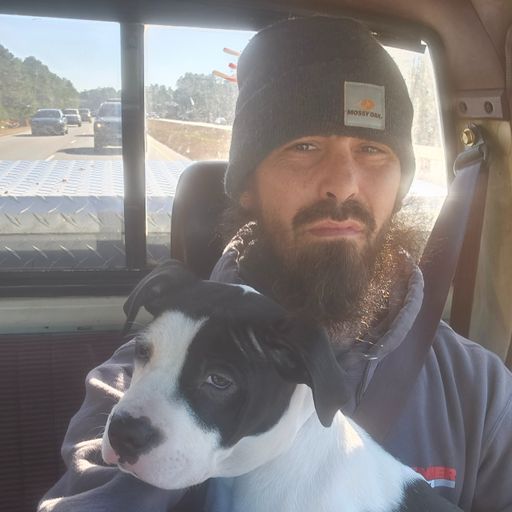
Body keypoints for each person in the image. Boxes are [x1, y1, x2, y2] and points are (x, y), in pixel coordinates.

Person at [39, 16, 512, 512]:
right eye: (304, 146)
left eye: (372, 150)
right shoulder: (143, 372)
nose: (343, 183)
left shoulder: (478, 389)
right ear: (248, 184)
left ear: (400, 187)